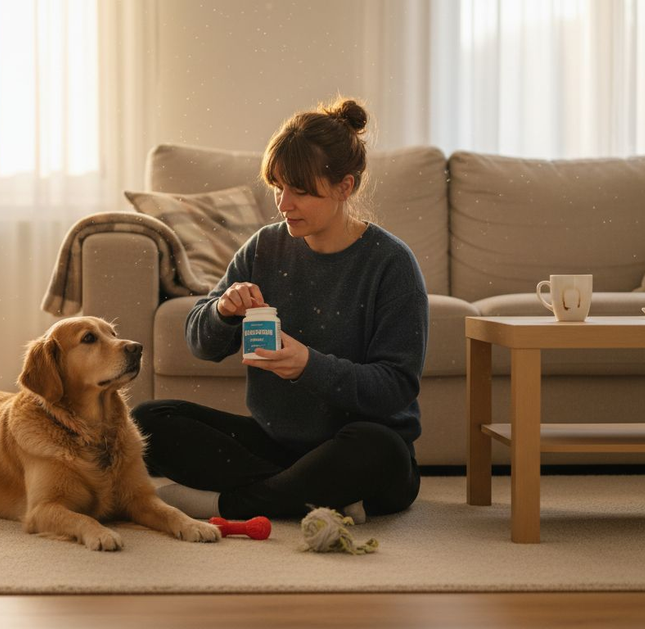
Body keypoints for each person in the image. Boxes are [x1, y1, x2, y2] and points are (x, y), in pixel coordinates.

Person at [131, 97, 429, 523]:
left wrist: (308, 365)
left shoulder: (391, 264)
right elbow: (200, 344)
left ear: (345, 187)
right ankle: (317, 493)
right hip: (275, 443)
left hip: (359, 445)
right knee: (147, 421)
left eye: (300, 191)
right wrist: (222, 312)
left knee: (378, 450)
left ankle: (230, 504)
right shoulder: (265, 247)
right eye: (278, 187)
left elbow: (395, 387)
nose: (283, 203)